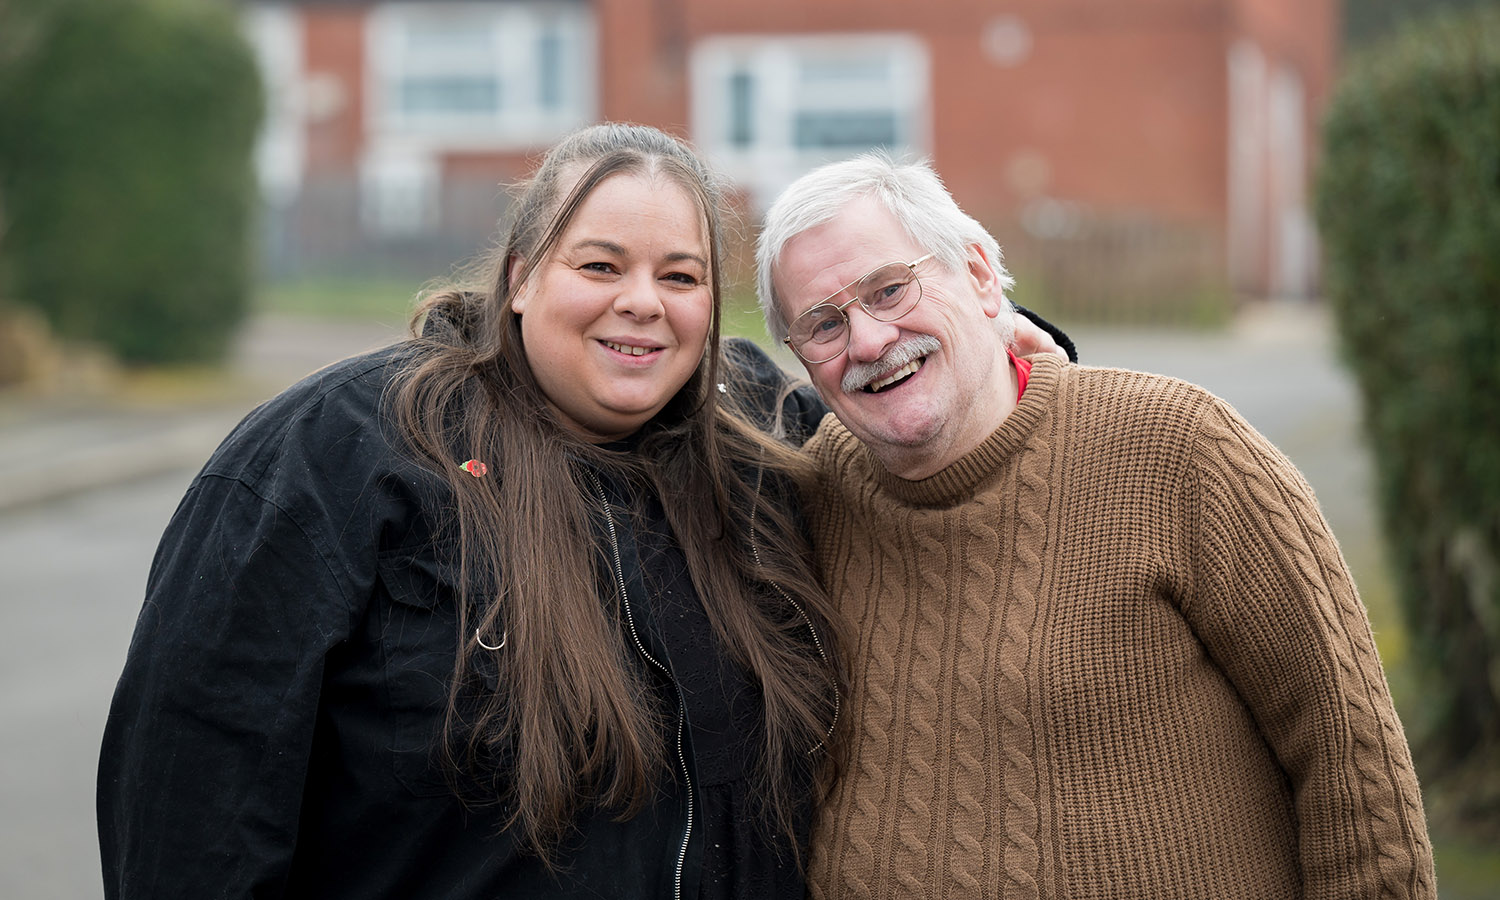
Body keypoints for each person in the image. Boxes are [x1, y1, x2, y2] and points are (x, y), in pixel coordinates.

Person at [97, 123, 850, 899]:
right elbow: (192, 807)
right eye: (600, 265)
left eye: (682, 277)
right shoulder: (337, 454)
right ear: (521, 278)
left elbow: (945, 475)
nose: (641, 302)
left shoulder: (765, 442)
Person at [755, 154, 1437, 898]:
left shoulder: (1181, 449)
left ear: (981, 275)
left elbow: (1352, 762)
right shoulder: (803, 502)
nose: (869, 341)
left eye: (890, 289)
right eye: (823, 324)